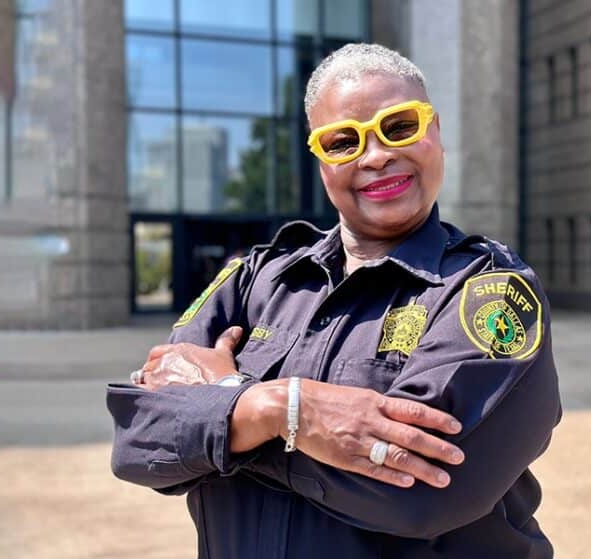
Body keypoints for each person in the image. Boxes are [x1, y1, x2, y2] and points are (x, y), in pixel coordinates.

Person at [107, 43, 561, 558]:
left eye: (399, 127)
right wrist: (271, 407)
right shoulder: (254, 279)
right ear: (320, 159)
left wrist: (225, 415)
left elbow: (423, 491)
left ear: (434, 133)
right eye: (344, 141)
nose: (376, 155)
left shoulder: (491, 291)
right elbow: (139, 441)